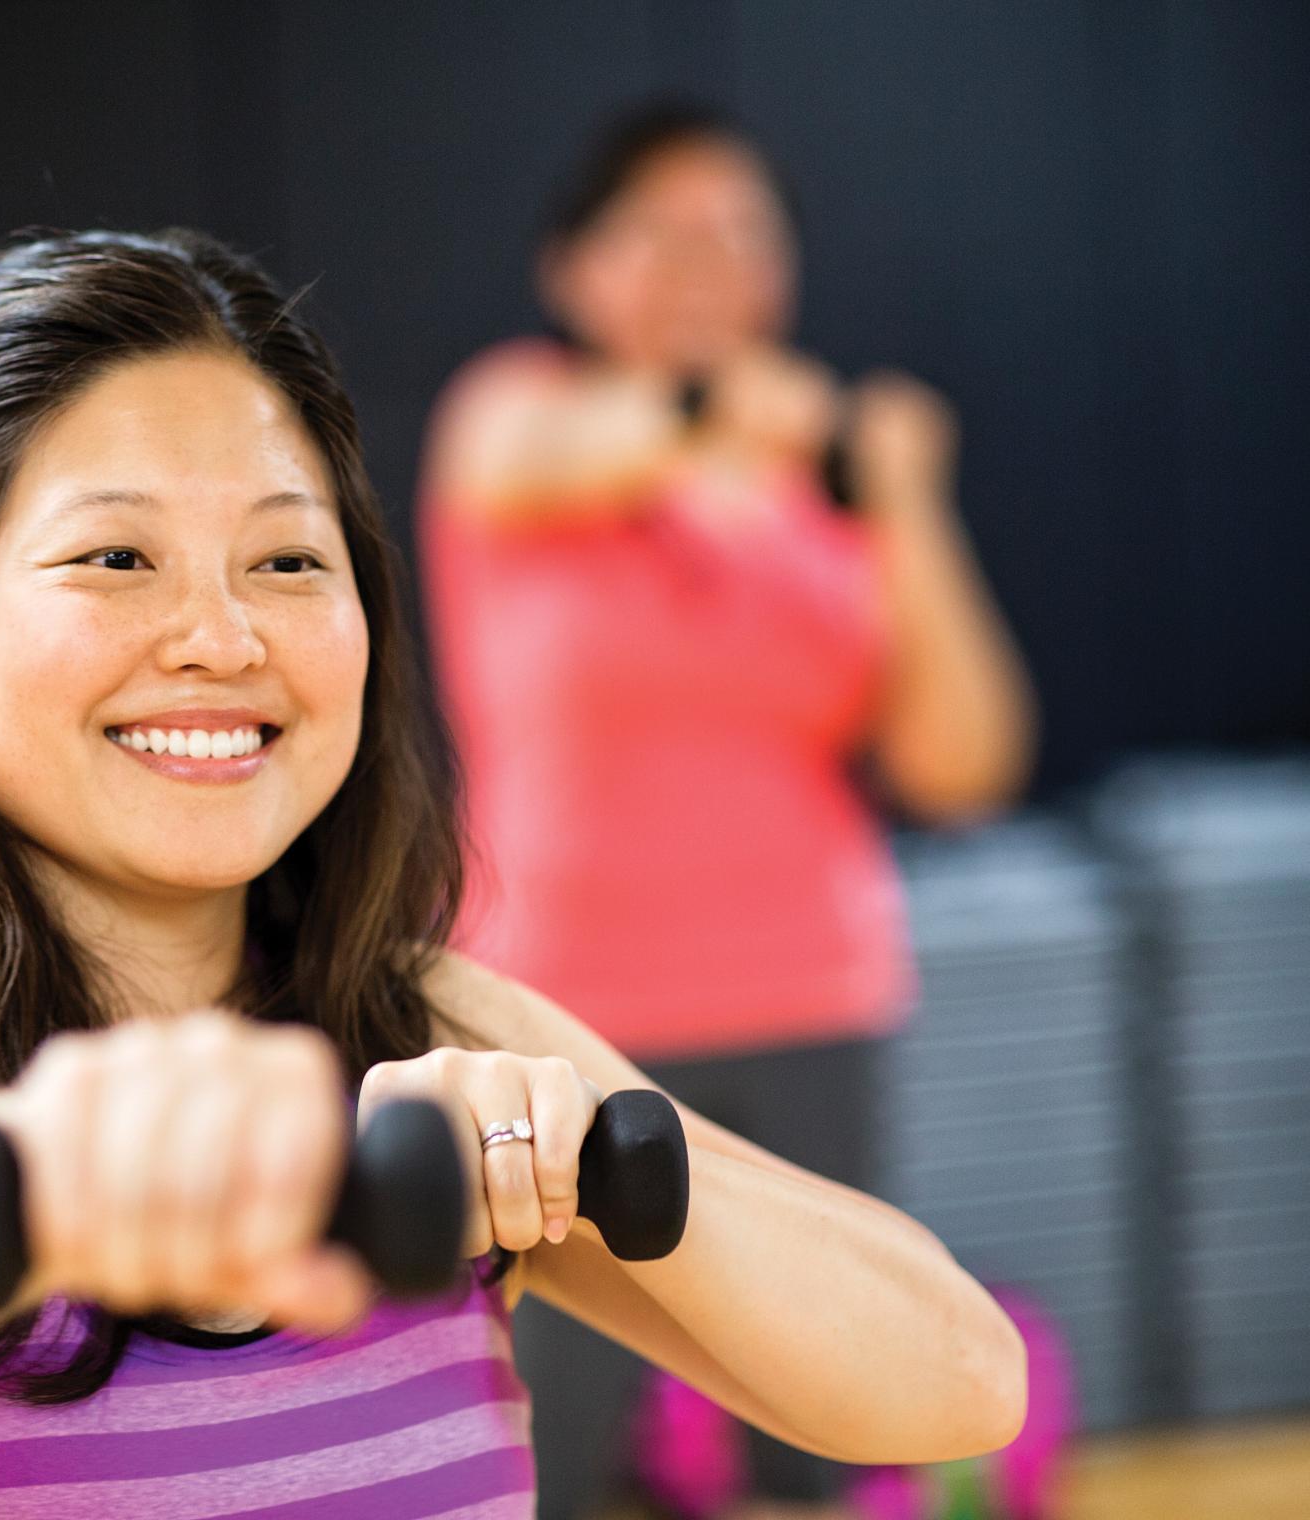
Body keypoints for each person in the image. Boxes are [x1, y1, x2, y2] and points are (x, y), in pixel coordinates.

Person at [0, 227, 1026, 1520]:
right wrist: (74, 1167)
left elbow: (960, 1380)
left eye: (289, 559)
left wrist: (561, 1143)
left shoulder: (429, 1036)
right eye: (116, 557)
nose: (222, 634)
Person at [417, 106, 1038, 1519]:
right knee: (543, 1449)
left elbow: (965, 759)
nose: (705, 258)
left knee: (815, 1447)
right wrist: (724, 412)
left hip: (814, 997)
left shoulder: (827, 503)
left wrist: (905, 497)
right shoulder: (511, 415)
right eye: (661, 226)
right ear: (573, 271)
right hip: (560, 1019)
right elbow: (552, 454)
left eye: (739, 229)